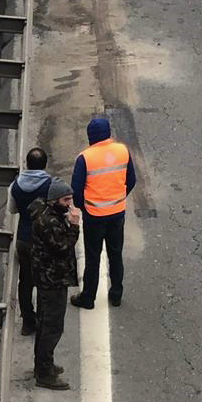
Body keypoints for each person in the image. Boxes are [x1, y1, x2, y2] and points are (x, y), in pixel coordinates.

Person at [70, 114, 136, 309]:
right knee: (116, 254)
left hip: (94, 216)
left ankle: (88, 298)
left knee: (93, 257)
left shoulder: (85, 158)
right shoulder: (122, 151)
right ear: (108, 133)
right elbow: (131, 181)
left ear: (91, 136)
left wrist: (85, 207)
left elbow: (77, 191)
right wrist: (118, 198)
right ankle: (116, 294)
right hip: (117, 213)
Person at [27, 178, 80, 390]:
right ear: (54, 200)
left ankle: (42, 365)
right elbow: (63, 246)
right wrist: (74, 226)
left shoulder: (46, 214)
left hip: (46, 278)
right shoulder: (49, 222)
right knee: (52, 327)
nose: (70, 204)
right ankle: (44, 374)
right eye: (66, 200)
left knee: (45, 325)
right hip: (52, 280)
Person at [10, 147, 52, 336]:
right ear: (45, 165)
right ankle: (43, 321)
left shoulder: (16, 185)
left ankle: (28, 322)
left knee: (25, 281)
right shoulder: (51, 185)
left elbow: (12, 210)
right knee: (44, 281)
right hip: (43, 241)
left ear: (27, 164)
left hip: (23, 239)